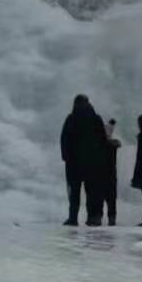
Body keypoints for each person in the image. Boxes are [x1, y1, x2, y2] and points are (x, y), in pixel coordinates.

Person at [61, 94, 109, 226]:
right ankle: (93, 218)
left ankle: (73, 218)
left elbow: (64, 139)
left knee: (74, 191)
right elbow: (103, 140)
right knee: (93, 191)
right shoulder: (95, 118)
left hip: (74, 163)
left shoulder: (71, 118)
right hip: (93, 162)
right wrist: (102, 159)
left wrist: (66, 157)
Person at [104, 118, 122, 226]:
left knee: (101, 196)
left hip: (101, 172)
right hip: (111, 172)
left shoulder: (99, 144)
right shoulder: (113, 144)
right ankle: (112, 218)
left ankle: (98, 217)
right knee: (111, 198)